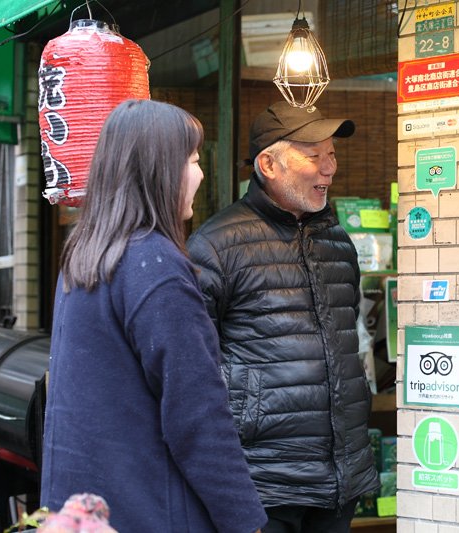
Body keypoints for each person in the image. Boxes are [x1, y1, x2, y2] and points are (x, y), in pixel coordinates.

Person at [41, 99, 267, 533]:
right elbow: (198, 414)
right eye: (194, 160)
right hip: (150, 510)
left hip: (86, 514)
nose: (201, 173)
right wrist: (244, 520)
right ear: (161, 169)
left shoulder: (86, 253)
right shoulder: (155, 265)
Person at [186, 101, 379, 532]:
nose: (329, 168)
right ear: (268, 164)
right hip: (263, 485)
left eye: (332, 154)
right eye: (314, 156)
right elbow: (192, 371)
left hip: (339, 482)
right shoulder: (215, 246)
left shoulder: (337, 241)